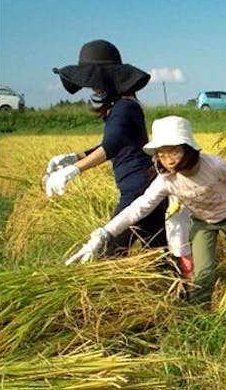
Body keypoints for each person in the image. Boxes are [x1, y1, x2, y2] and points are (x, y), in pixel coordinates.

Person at [65, 115, 226, 314]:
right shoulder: (166, 180)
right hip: (203, 222)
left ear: (188, 148)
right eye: (162, 154)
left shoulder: (213, 165)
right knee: (202, 275)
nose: (169, 159)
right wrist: (104, 234)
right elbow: (139, 207)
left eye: (174, 151)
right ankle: (201, 319)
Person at [45, 39, 171, 260]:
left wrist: (74, 169)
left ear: (109, 77)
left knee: (108, 256)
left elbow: (111, 146)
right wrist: (74, 157)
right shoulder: (124, 106)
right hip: (145, 188)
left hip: (137, 192)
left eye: (94, 78)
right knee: (160, 256)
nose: (93, 86)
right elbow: (114, 142)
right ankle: (187, 292)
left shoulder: (124, 108)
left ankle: (189, 292)